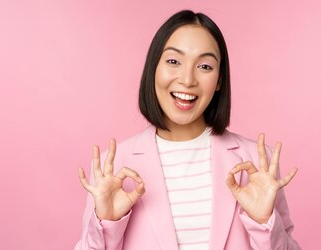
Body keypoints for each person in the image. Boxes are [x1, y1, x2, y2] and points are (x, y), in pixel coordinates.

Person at [75, 10, 301, 250]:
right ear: (154, 67)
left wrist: (264, 223)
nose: (187, 79)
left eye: (204, 66)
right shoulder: (115, 164)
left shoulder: (257, 162)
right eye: (173, 61)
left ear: (219, 81)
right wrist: (106, 224)